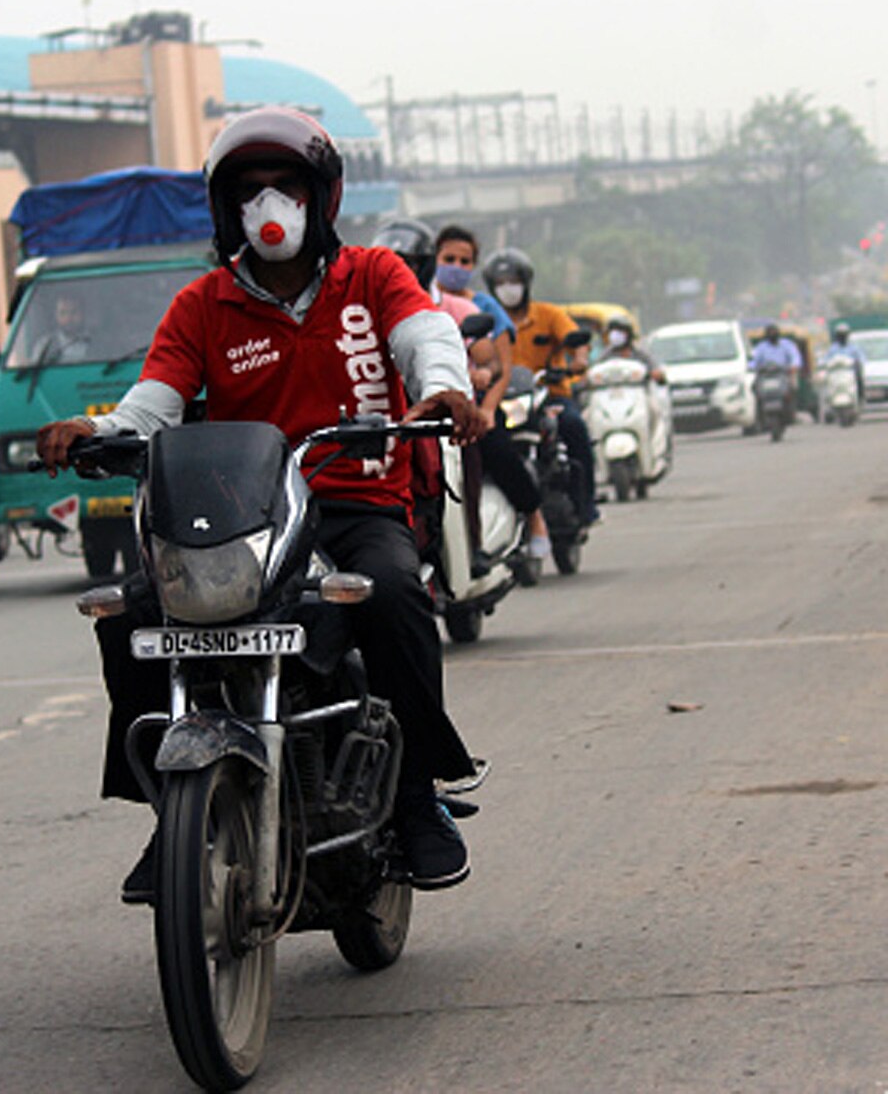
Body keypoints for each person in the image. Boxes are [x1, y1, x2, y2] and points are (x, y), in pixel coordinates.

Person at [38, 107, 487, 901]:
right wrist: (95, 431)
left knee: (392, 598)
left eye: (286, 187)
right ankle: (171, 814)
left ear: (321, 198)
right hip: (244, 517)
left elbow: (425, 337)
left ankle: (417, 797)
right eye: (250, 190)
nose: (269, 206)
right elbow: (153, 407)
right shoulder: (202, 305)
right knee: (132, 618)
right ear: (226, 208)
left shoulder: (375, 275)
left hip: (353, 503)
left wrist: (444, 389)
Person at [375, 220, 550, 569]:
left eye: (410, 262)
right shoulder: (363, 307)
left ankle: (476, 541)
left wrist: (476, 384)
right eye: (395, 261)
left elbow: (493, 362)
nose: (402, 270)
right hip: (394, 410)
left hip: (456, 410)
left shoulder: (460, 308)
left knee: (479, 448)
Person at [485, 247, 601, 526]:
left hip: (549, 397)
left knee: (573, 426)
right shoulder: (486, 317)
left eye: (513, 281)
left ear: (526, 282)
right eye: (500, 283)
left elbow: (575, 338)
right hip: (503, 400)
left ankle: (586, 504)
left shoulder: (549, 314)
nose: (508, 289)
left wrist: (579, 360)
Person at [749, 323, 802, 420]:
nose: (772, 335)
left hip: (783, 374)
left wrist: (794, 366)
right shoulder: (761, 347)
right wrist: (751, 367)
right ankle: (758, 414)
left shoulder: (787, 344)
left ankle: (793, 410)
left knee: (793, 386)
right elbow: (754, 361)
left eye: (774, 333)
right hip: (766, 375)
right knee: (753, 387)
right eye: (770, 333)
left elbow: (795, 357)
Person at [600, 317, 666, 383]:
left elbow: (658, 373)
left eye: (619, 331)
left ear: (629, 333)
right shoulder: (606, 355)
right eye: (612, 332)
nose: (615, 335)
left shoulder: (640, 353)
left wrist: (657, 374)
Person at [36, 292, 95, 364]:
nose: (68, 318)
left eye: (74, 312)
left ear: (83, 313)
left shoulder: (98, 342)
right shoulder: (44, 345)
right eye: (63, 313)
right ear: (56, 316)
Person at [823, 321, 865, 403]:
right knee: (823, 381)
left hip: (850, 373)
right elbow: (826, 359)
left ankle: (860, 398)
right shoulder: (833, 349)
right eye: (840, 335)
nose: (842, 337)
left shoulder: (853, 348)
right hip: (835, 373)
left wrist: (857, 363)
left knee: (859, 377)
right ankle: (826, 401)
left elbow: (861, 358)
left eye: (844, 335)